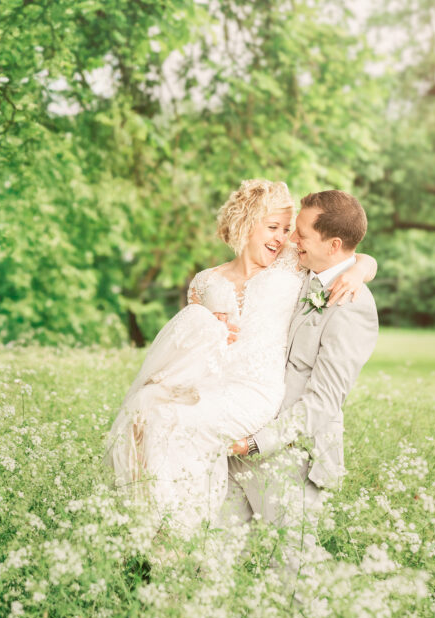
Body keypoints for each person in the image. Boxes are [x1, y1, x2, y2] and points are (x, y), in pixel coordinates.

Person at [105, 180, 377, 538]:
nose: (288, 239)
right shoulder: (207, 282)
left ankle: (172, 531)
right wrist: (205, 324)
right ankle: (152, 524)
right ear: (247, 225)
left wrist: (359, 270)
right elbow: (191, 345)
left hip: (259, 395)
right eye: (277, 228)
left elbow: (349, 254)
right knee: (145, 407)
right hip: (216, 385)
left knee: (173, 423)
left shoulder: (293, 267)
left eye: (291, 230)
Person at [222, 189, 380, 579]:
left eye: (302, 234)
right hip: (240, 445)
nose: (292, 241)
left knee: (294, 573)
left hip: (291, 460)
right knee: (215, 552)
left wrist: (255, 444)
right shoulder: (302, 269)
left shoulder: (353, 307)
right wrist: (361, 264)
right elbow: (362, 256)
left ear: (333, 244)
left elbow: (323, 402)